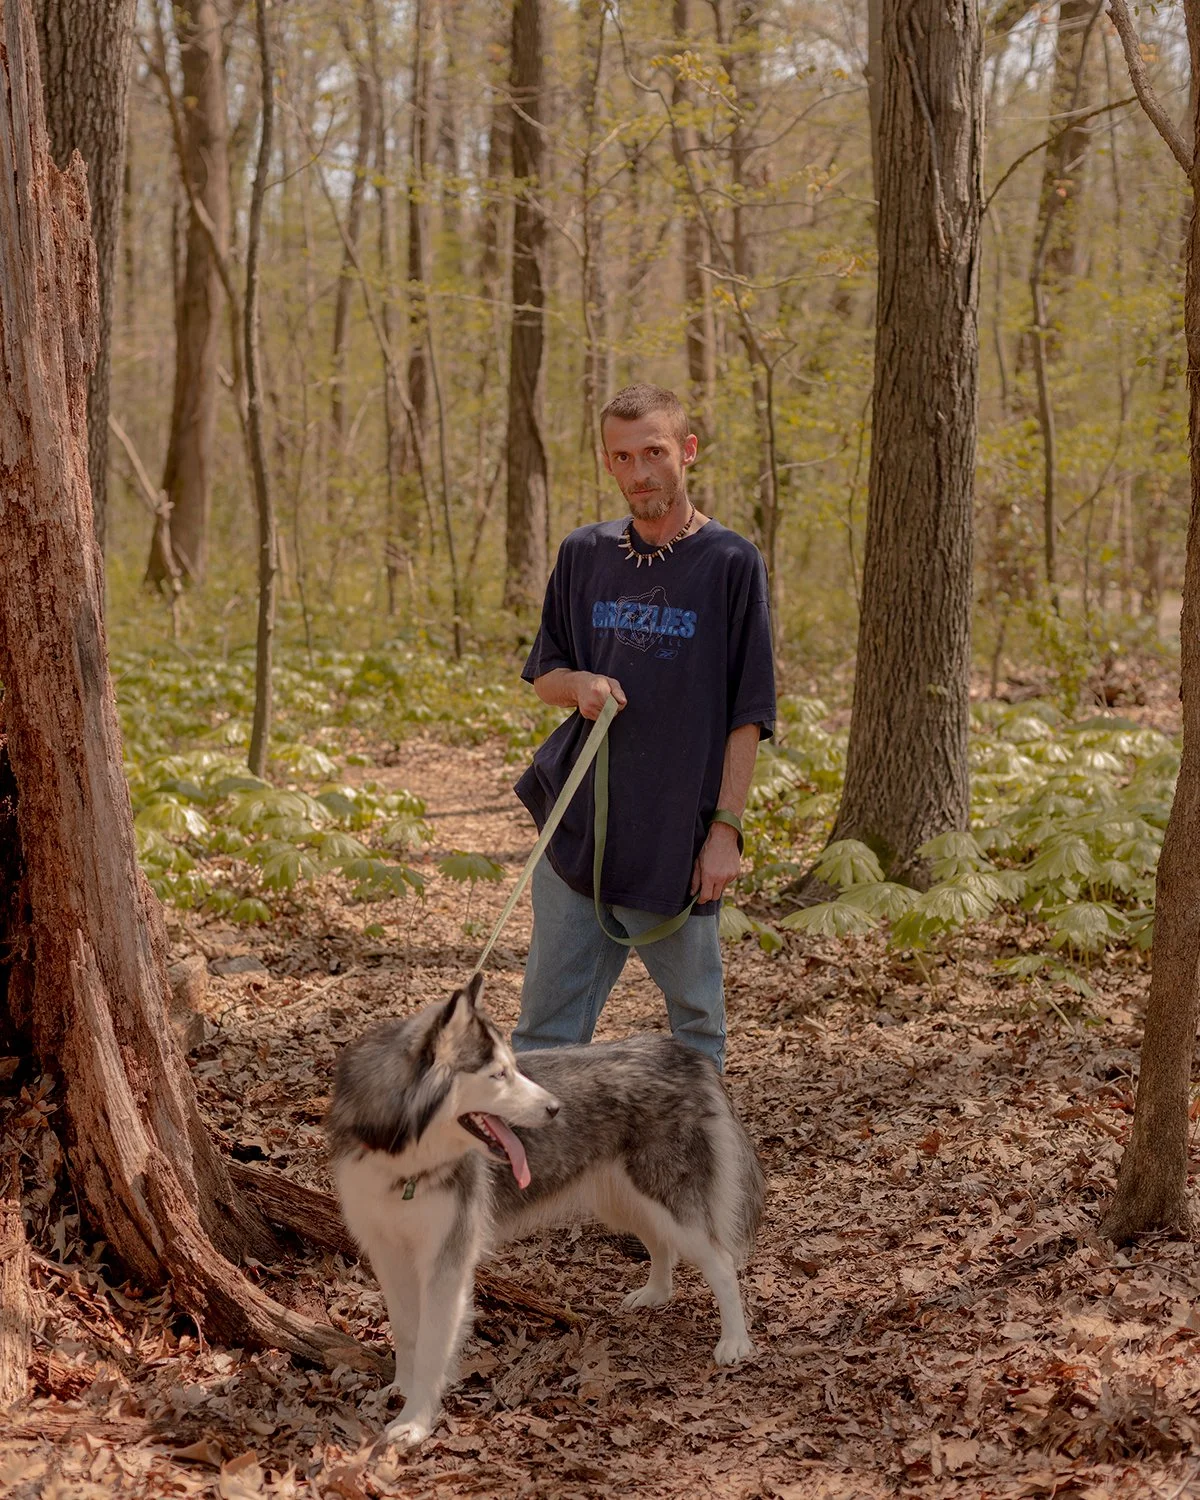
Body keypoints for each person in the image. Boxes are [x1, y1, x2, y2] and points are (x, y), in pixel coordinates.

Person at [511, 383, 775, 1073]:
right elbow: (546, 676)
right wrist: (582, 687)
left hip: (677, 840)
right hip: (580, 834)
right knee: (543, 1037)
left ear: (686, 451)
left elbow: (749, 714)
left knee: (696, 1033)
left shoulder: (730, 563)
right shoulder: (583, 554)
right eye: (623, 457)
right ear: (608, 462)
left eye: (654, 452)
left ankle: (705, 1176)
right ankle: (534, 1178)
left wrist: (726, 831)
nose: (640, 473)